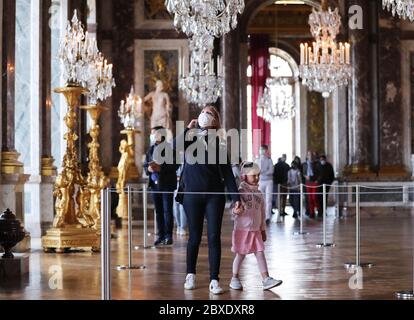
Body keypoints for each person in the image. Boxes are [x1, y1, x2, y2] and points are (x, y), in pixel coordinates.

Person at [174, 106, 244, 295]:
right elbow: (174, 147)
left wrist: (236, 198)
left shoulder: (220, 144)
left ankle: (214, 279)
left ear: (216, 120)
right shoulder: (189, 139)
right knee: (194, 237)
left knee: (214, 237)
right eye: (204, 112)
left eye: (210, 112)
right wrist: (189, 128)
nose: (206, 114)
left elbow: (228, 174)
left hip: (214, 196)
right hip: (192, 195)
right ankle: (190, 274)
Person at [229, 162, 283, 291]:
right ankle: (234, 278)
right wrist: (236, 211)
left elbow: (262, 213)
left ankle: (266, 279)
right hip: (243, 230)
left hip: (256, 231)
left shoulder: (259, 194)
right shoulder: (240, 193)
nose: (257, 178)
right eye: (254, 175)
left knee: (260, 253)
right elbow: (234, 209)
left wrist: (263, 229)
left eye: (258, 175)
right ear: (244, 177)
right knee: (240, 255)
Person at [144, 126, 178, 246]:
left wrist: (161, 168)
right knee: (158, 212)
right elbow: (145, 165)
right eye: (152, 133)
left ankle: (168, 236)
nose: (152, 135)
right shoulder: (150, 149)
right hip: (154, 185)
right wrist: (148, 169)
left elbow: (175, 165)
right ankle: (160, 235)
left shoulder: (170, 149)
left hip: (167, 184)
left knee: (167, 211)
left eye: (154, 133)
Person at [256, 145, 274, 224]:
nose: (261, 151)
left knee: (268, 199)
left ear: (266, 150)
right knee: (261, 200)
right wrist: (262, 172)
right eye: (260, 149)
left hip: (268, 181)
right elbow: (256, 171)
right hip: (260, 181)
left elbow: (271, 171)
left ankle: (268, 217)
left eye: (263, 149)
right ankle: (261, 216)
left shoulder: (269, 160)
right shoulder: (257, 160)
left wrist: (263, 172)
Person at [302, 151, 319, 218]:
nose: (310, 156)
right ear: (307, 156)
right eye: (309, 155)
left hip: (314, 182)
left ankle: (317, 208)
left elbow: (319, 173)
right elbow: (303, 173)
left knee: (314, 197)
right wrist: (305, 176)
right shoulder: (304, 164)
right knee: (309, 198)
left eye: (311, 155)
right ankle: (312, 212)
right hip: (308, 182)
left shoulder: (316, 164)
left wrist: (317, 180)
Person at [174, 162, 188, 236]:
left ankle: (183, 227)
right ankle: (179, 225)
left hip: (184, 184)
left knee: (182, 207)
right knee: (175, 207)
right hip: (175, 184)